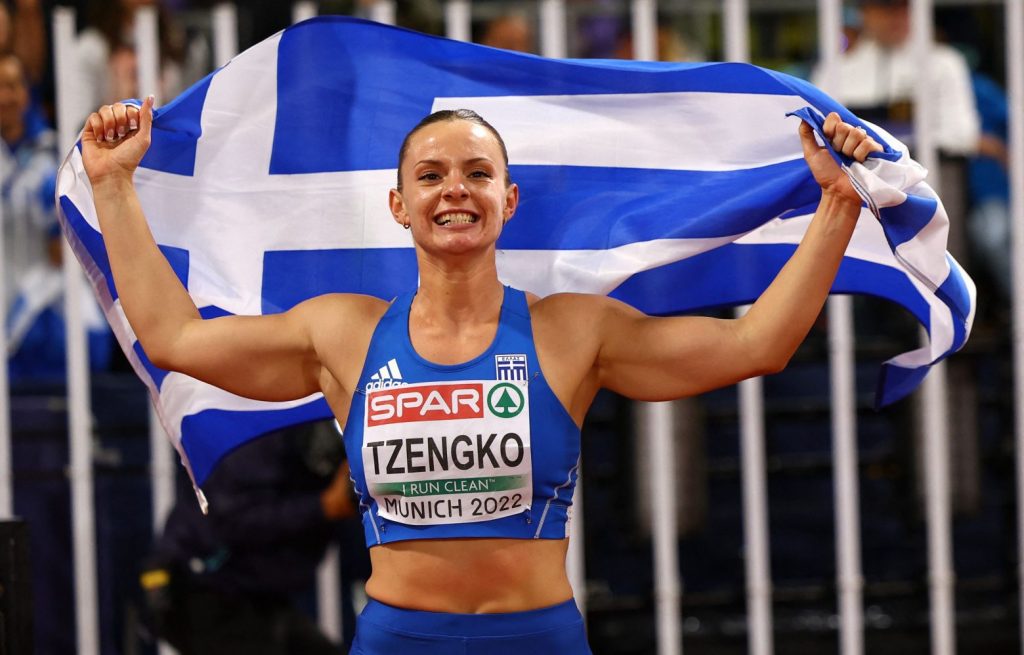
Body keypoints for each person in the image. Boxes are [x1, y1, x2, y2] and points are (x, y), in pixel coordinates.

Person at [81, 96, 880, 652]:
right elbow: (175, 337)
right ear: (399, 205)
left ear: (509, 198)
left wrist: (838, 206)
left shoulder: (574, 330)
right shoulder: (343, 334)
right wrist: (112, 183)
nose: (454, 189)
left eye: (476, 172)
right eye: (430, 175)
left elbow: (756, 345)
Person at [142, 421, 355, 655]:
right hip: (201, 585)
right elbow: (234, 522)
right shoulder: (259, 440)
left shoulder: (335, 453)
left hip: (257, 593)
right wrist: (323, 506)